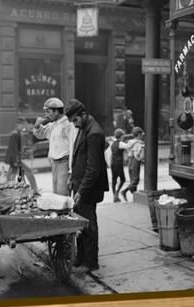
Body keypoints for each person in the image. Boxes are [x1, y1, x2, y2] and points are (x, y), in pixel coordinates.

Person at [65, 98, 109, 271]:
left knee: (88, 225)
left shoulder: (94, 133)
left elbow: (93, 169)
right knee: (80, 224)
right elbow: (79, 158)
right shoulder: (84, 127)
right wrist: (72, 178)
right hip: (80, 185)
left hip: (88, 189)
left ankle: (91, 262)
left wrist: (81, 191)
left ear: (83, 114)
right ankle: (81, 257)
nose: (74, 125)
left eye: (75, 120)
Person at [32, 97, 73, 196]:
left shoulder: (68, 125)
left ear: (56, 111)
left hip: (64, 162)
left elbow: (72, 146)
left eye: (48, 111)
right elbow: (40, 134)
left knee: (62, 195)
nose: (46, 115)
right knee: (56, 194)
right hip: (54, 162)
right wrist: (37, 126)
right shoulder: (53, 125)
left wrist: (71, 170)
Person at [4, 118, 38, 191]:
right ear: (18, 125)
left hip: (14, 158)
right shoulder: (15, 134)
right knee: (27, 171)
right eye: (22, 125)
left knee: (13, 173)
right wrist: (16, 160)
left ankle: (7, 187)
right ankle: (34, 188)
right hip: (14, 158)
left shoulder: (16, 133)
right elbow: (13, 148)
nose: (23, 127)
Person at [120, 126, 145, 202]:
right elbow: (139, 155)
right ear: (138, 134)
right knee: (135, 180)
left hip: (130, 162)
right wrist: (141, 158)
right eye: (141, 134)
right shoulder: (139, 143)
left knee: (132, 180)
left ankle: (134, 198)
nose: (142, 136)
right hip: (135, 161)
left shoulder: (129, 142)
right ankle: (124, 191)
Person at [110, 129, 127, 202]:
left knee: (114, 180)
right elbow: (128, 146)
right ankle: (117, 193)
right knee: (123, 179)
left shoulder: (113, 144)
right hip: (119, 163)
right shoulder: (121, 143)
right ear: (121, 136)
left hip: (113, 163)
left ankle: (114, 195)